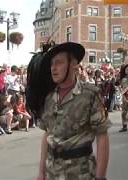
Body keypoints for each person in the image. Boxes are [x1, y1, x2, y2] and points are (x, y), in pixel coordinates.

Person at [27, 42, 111, 180]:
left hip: (80, 172)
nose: (53, 68)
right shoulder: (49, 97)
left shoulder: (89, 94)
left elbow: (102, 135)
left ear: (74, 64)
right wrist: (41, 172)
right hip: (52, 171)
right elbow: (47, 134)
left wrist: (100, 177)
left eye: (59, 62)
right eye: (52, 64)